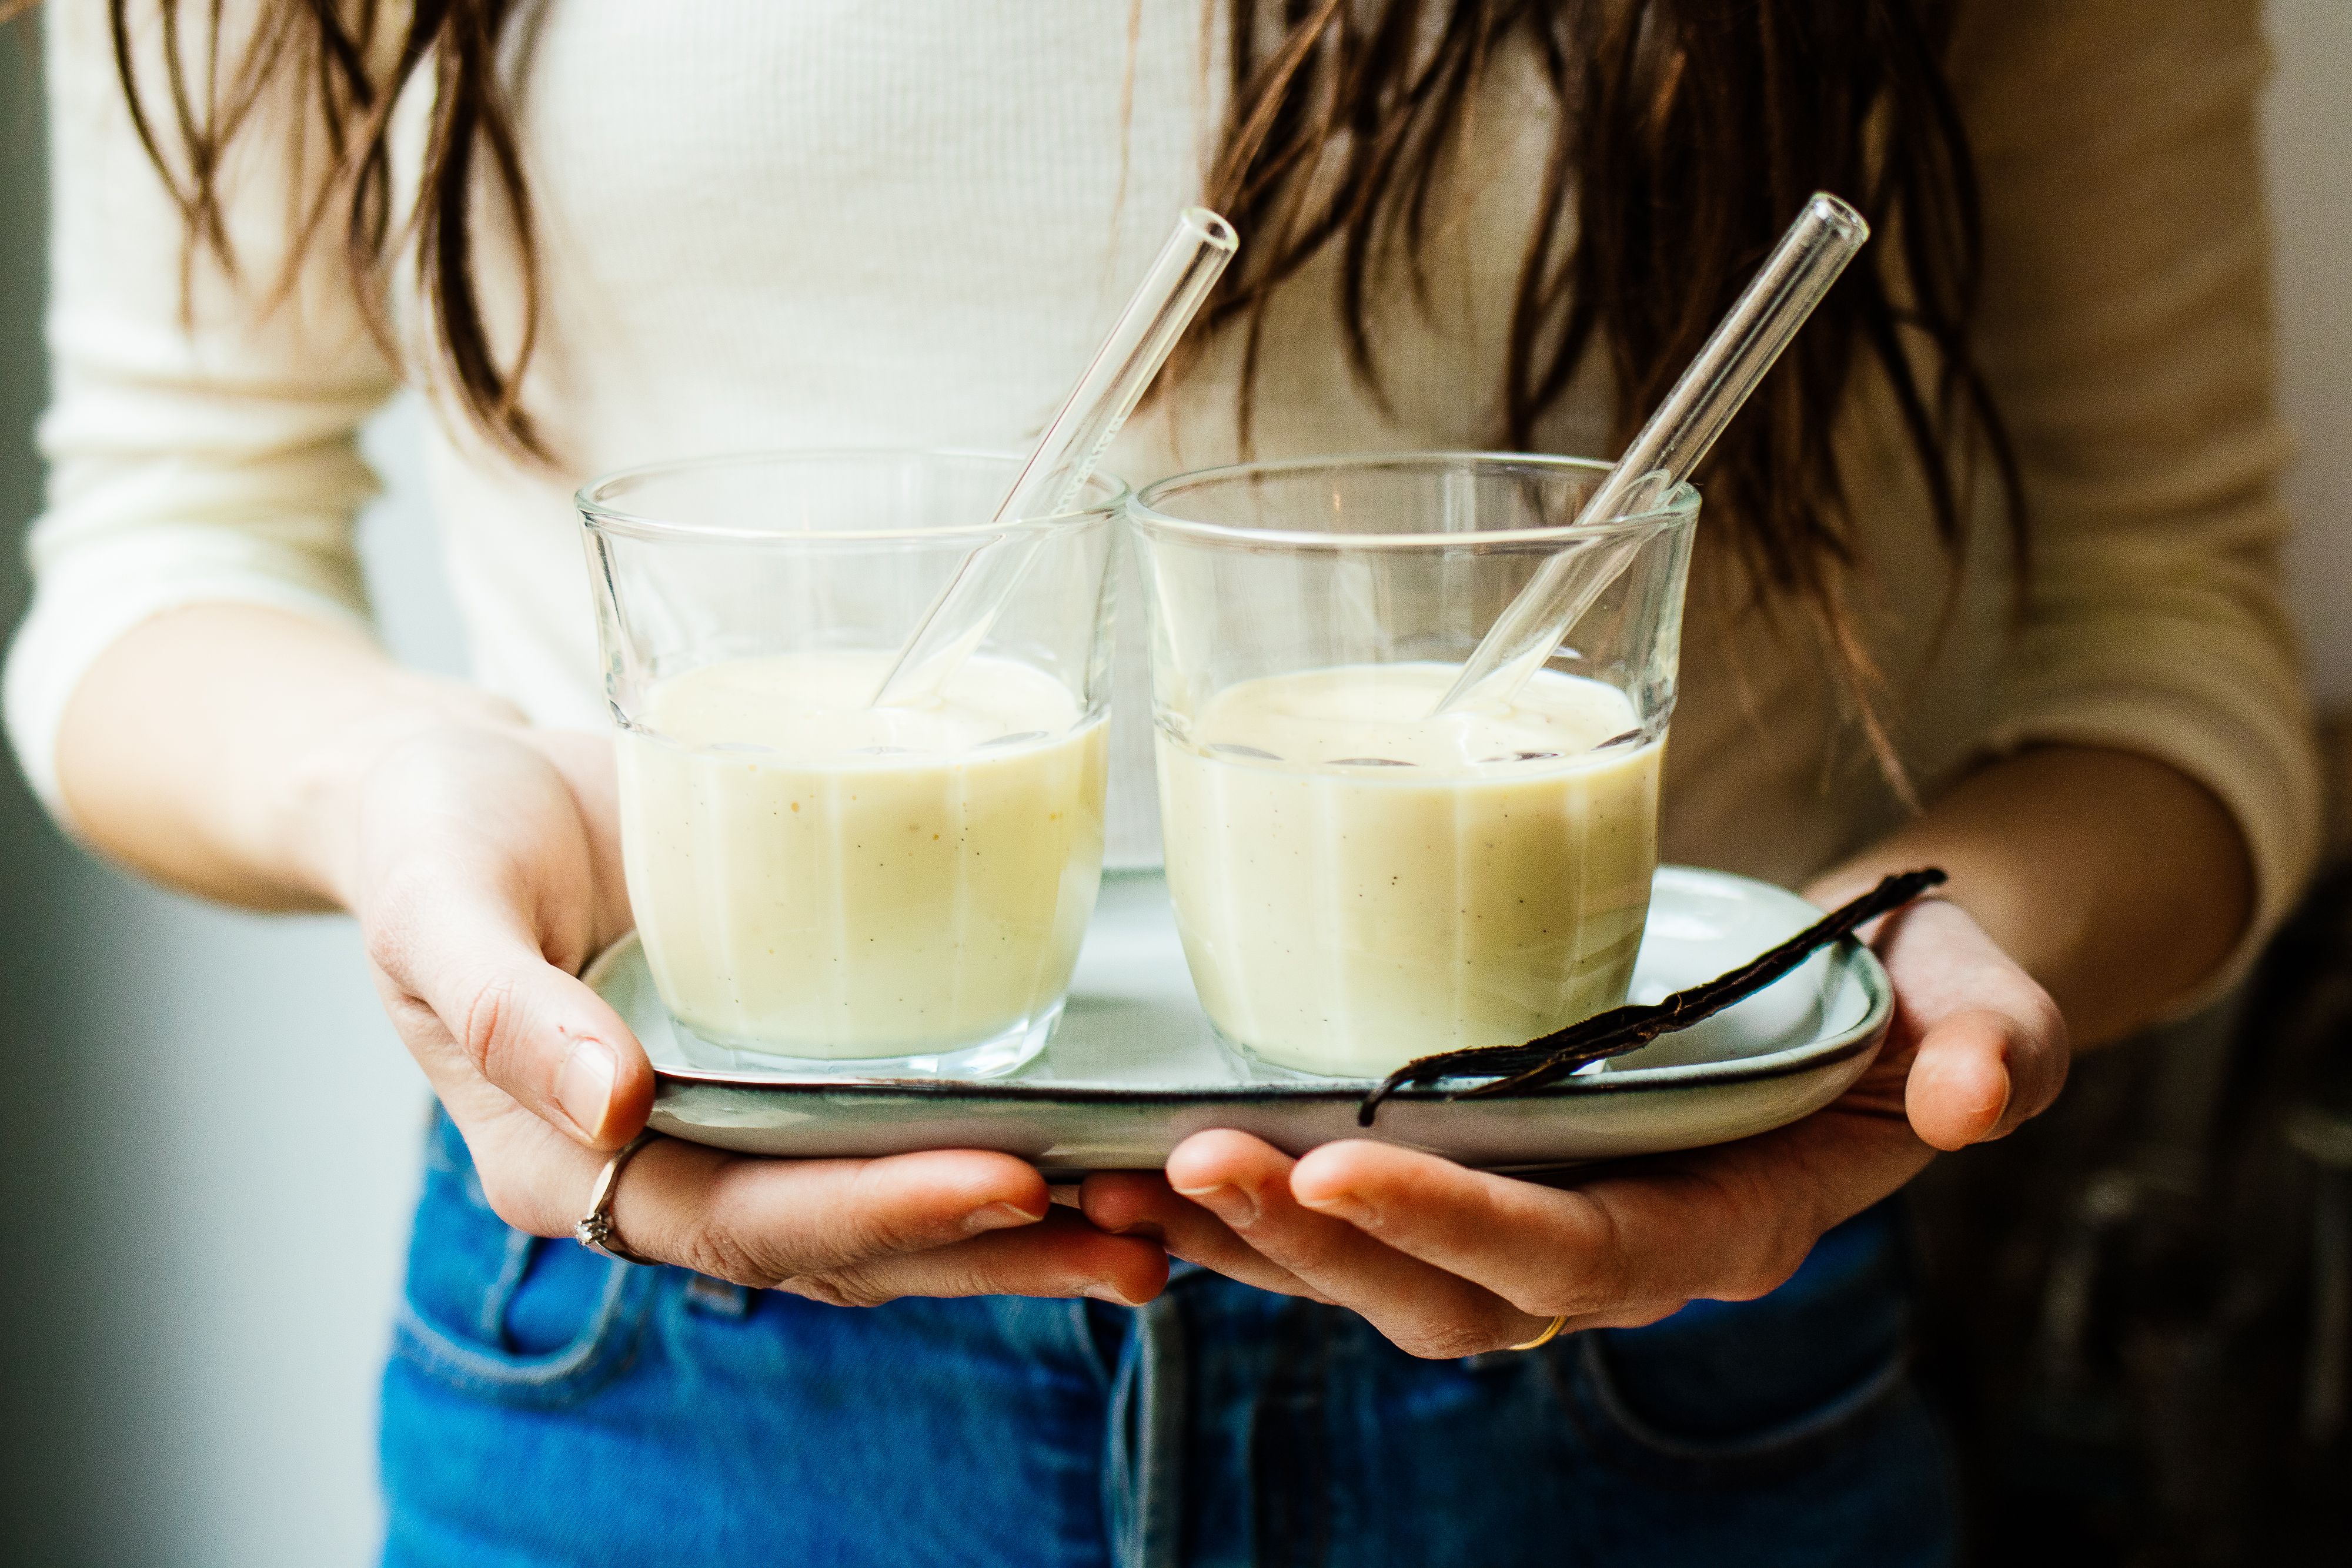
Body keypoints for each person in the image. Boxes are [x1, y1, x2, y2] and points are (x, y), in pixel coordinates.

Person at [5, 2, 2317, 1564]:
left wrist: (1898, 967)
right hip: (663, 1362)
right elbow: (162, 535)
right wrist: (408, 780)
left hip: (1656, 1366)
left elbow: (2169, 642)